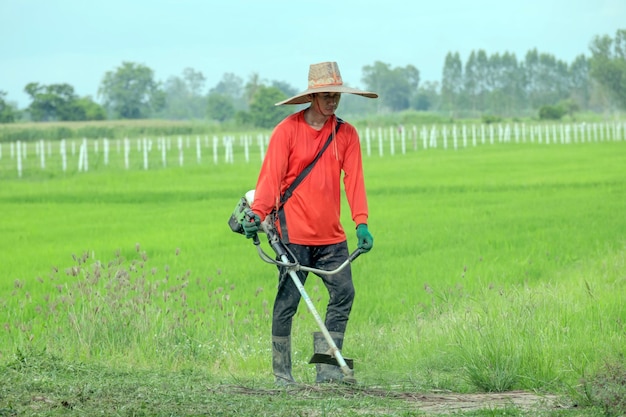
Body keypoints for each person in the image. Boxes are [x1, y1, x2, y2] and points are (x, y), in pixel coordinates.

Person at [242, 61, 377, 385]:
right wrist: (257, 215)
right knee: (287, 302)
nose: (332, 102)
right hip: (292, 234)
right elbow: (270, 180)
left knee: (344, 293)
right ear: (313, 97)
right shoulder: (287, 131)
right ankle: (282, 374)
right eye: (326, 95)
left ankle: (327, 370)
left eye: (336, 96)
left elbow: (354, 180)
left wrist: (361, 222)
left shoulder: (346, 133)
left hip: (331, 236)